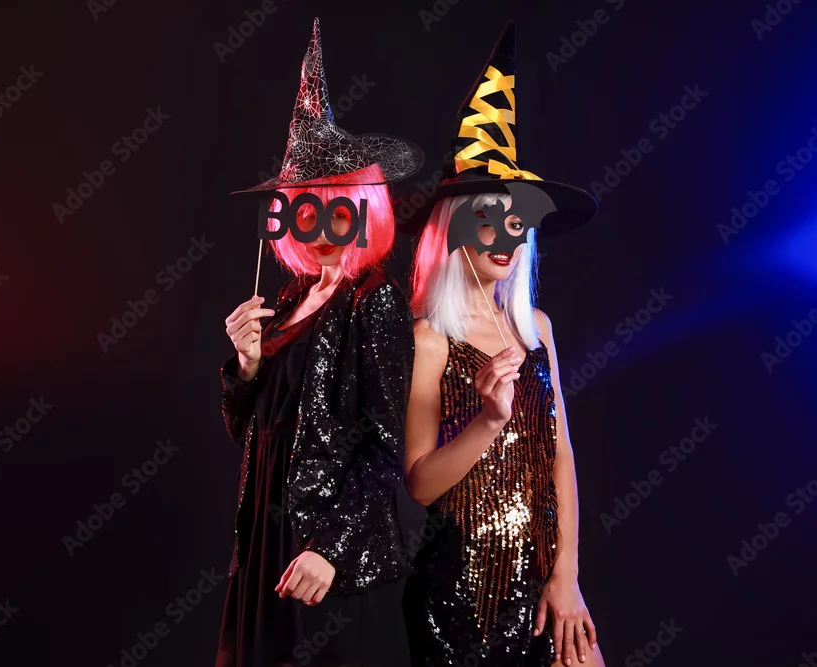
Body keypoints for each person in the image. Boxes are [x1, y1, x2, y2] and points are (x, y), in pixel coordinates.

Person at [400, 23, 607, 667]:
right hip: (459, 591)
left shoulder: (536, 327)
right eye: (487, 219)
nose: (505, 238)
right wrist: (489, 421)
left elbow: (560, 454)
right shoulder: (431, 338)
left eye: (517, 223)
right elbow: (421, 484)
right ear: (454, 228)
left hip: (544, 579)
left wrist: (566, 574)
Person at [216, 18, 420, 667]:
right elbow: (251, 431)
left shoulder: (374, 300)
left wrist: (329, 546)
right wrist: (247, 366)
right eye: (307, 211)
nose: (324, 228)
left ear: (363, 212)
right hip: (267, 540)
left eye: (339, 211)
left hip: (331, 553)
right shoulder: (287, 300)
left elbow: (386, 448)